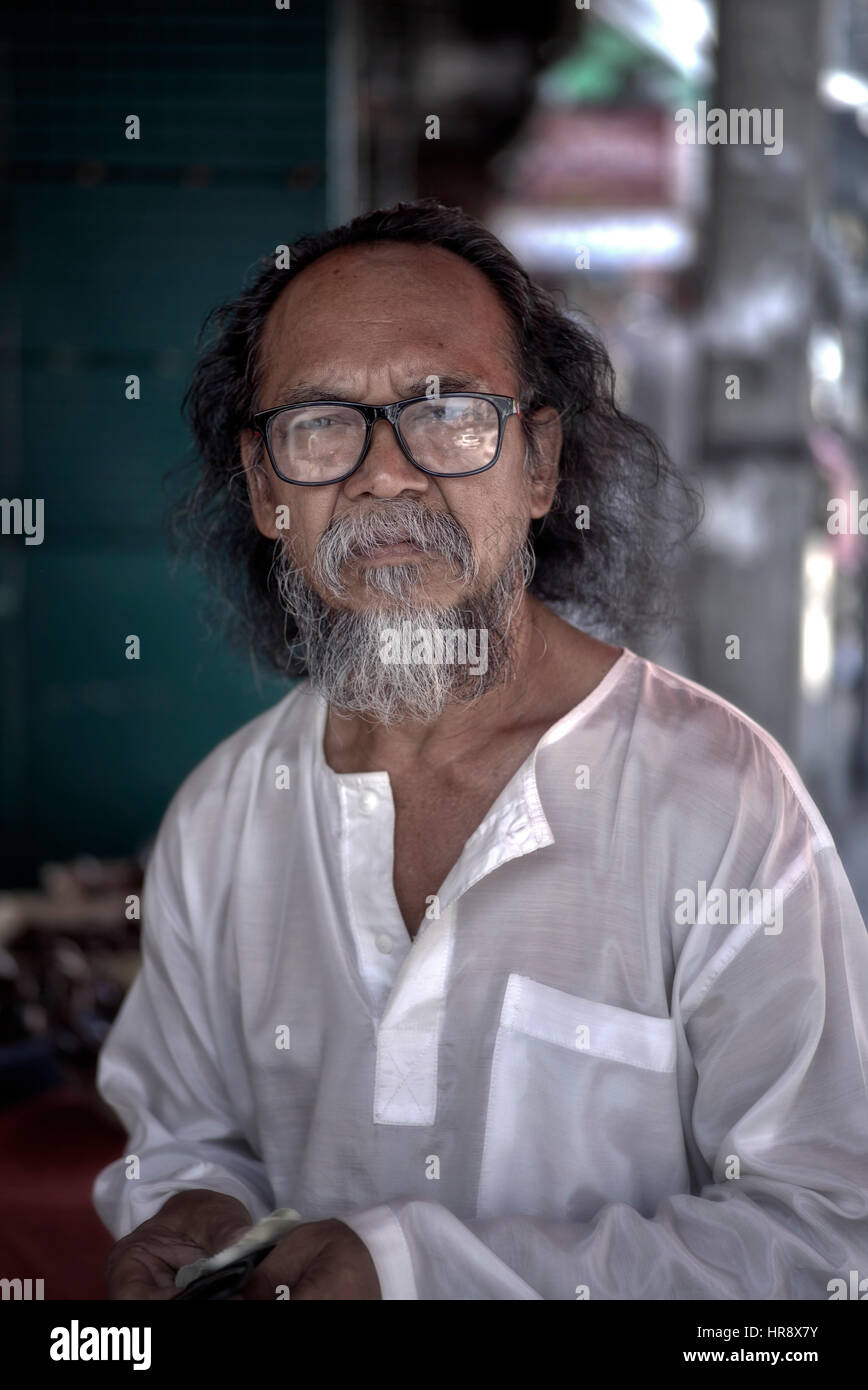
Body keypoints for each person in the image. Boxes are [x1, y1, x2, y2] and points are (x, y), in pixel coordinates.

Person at [94, 200, 868, 1300]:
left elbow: (829, 1247)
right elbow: (185, 1140)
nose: (387, 475)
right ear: (267, 489)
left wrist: (419, 1274)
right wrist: (196, 1212)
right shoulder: (225, 817)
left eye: (448, 412)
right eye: (320, 423)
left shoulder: (720, 806)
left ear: (538, 463)